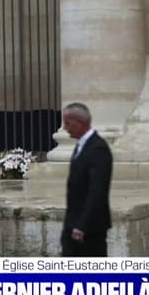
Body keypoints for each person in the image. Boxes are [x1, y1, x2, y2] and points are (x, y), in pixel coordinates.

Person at [61, 102, 113, 257]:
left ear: (79, 123)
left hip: (89, 228)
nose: (65, 128)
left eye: (68, 123)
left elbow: (97, 191)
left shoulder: (98, 148)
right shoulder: (81, 146)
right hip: (74, 223)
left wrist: (82, 225)